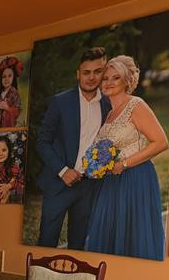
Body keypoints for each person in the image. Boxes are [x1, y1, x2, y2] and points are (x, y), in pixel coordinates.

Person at [85, 55, 169, 260]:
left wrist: (124, 164)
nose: (109, 82)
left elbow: (161, 142)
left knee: (133, 235)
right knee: (110, 235)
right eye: (105, 78)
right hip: (111, 181)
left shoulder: (136, 105)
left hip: (136, 177)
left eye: (116, 78)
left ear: (127, 81)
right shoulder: (109, 114)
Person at [36, 47, 112, 248]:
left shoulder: (108, 105)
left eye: (97, 71)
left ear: (103, 72)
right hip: (58, 183)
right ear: (78, 74)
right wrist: (63, 171)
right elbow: (42, 141)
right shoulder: (60, 102)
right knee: (46, 242)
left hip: (89, 186)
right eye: (86, 72)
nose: (91, 77)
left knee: (78, 245)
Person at [0, 56, 23, 129]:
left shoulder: (15, 93)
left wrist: (7, 108)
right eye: (4, 77)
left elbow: (17, 111)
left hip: (8, 129)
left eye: (9, 76)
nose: (6, 79)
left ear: (13, 78)